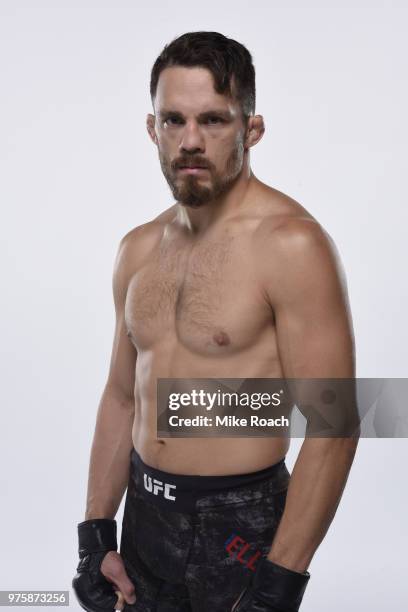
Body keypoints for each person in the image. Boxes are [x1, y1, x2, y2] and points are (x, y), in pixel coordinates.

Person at [72, 31, 359, 612]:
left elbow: (335, 425)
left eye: (214, 120)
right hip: (144, 518)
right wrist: (95, 534)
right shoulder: (137, 248)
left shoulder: (292, 245)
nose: (191, 141)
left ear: (251, 129)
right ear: (152, 129)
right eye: (173, 120)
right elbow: (122, 396)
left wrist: (280, 582)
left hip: (243, 529)